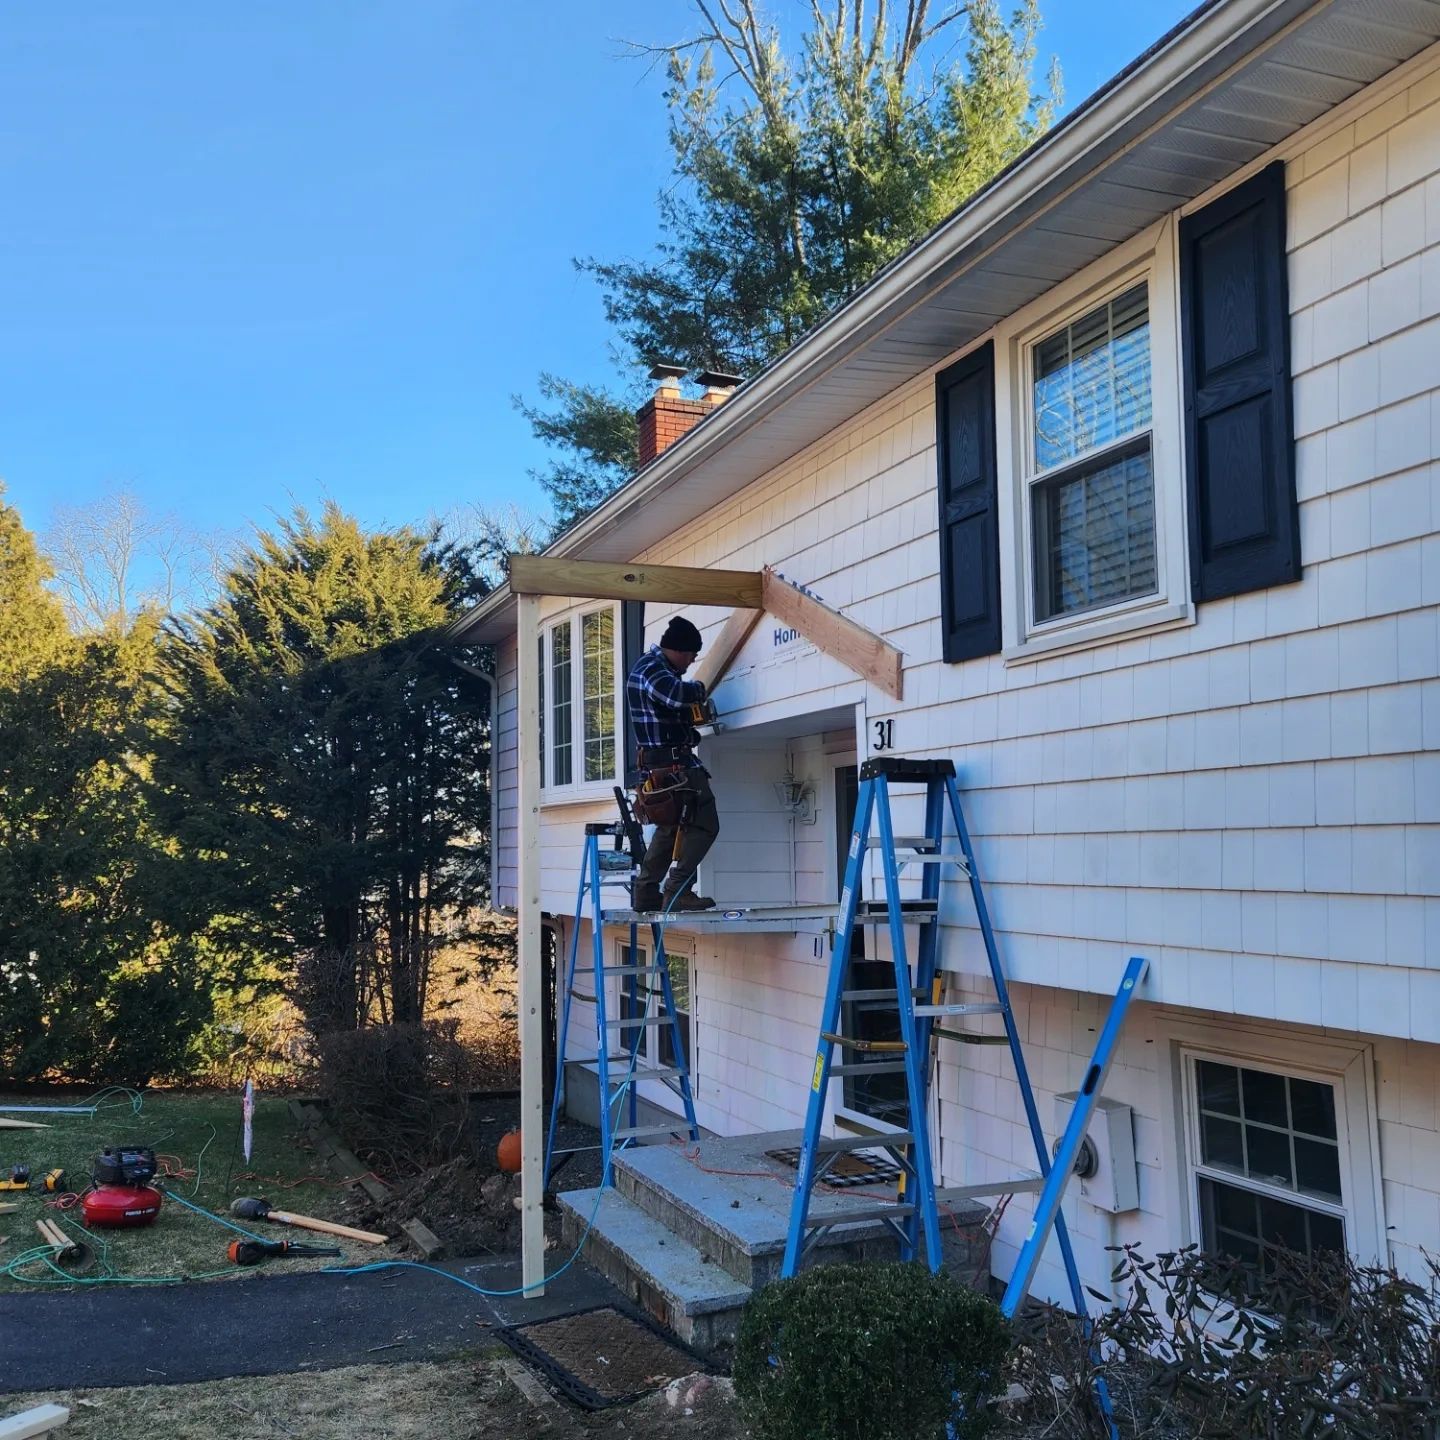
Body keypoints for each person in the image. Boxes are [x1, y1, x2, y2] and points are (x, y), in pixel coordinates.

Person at [626, 616, 720, 913]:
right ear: (679, 649)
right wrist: (699, 689)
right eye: (692, 655)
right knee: (705, 824)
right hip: (675, 769)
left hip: (661, 767)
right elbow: (675, 695)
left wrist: (687, 732)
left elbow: (663, 715)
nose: (692, 662)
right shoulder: (653, 669)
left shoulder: (650, 668)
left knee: (668, 829)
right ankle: (678, 889)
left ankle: (646, 893)